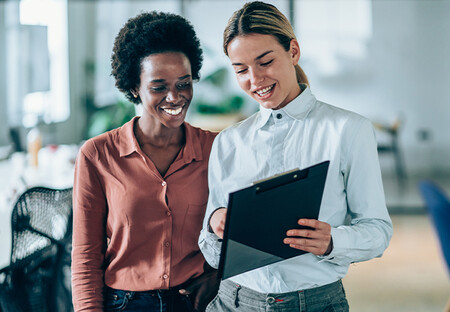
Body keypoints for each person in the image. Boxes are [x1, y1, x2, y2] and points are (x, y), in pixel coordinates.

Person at [198, 2, 393, 311]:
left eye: (265, 62)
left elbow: (378, 230)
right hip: (233, 301)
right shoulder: (228, 142)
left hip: (313, 303)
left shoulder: (348, 130)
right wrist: (214, 224)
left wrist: (332, 243)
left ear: (293, 51)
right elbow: (210, 249)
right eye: (241, 70)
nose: (255, 79)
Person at [72, 11, 218, 312]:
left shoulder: (216, 149)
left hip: (194, 301)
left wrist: (220, 276)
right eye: (159, 87)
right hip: (123, 303)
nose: (175, 97)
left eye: (184, 83)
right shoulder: (97, 155)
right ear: (134, 87)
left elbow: (243, 231)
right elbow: (86, 257)